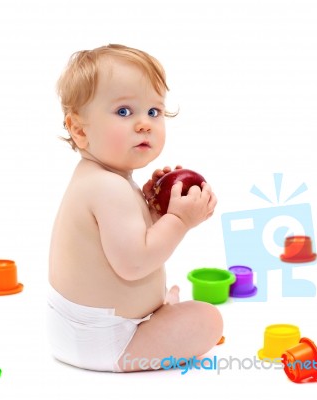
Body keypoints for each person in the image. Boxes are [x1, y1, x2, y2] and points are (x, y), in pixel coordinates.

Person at [47, 44, 222, 373]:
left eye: (154, 112)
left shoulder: (97, 179)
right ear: (80, 130)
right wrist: (179, 220)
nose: (144, 124)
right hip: (107, 342)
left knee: (187, 313)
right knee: (208, 320)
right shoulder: (109, 187)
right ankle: (157, 321)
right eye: (125, 112)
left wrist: (153, 213)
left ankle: (156, 313)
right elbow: (134, 263)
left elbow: (119, 244)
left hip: (79, 333)